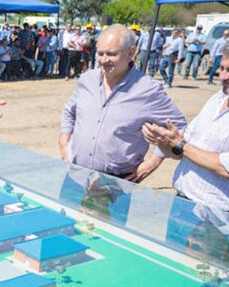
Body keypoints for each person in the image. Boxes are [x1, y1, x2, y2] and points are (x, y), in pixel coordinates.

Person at [143, 29, 229, 214]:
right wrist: (165, 141)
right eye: (222, 68)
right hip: (182, 203)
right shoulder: (219, 97)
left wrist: (179, 144)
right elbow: (183, 151)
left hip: (218, 217)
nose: (222, 76)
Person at [59, 24, 187, 182]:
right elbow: (69, 111)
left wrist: (153, 162)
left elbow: (179, 128)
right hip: (75, 173)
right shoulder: (87, 80)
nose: (104, 60)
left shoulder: (148, 89)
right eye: (100, 54)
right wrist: (64, 142)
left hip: (116, 182)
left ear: (131, 53)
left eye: (111, 54)